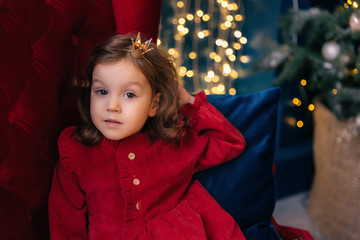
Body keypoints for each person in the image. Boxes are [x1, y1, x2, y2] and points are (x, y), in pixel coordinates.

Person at [48, 33, 246, 239]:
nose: (111, 106)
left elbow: (229, 142)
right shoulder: (76, 153)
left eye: (129, 95)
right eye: (102, 92)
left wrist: (187, 100)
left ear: (154, 105)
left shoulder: (171, 141)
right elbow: (65, 225)